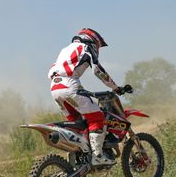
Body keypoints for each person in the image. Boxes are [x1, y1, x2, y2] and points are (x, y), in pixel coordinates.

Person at [48, 28, 124, 167]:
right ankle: (97, 157)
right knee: (97, 117)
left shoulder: (65, 49)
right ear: (92, 39)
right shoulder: (86, 47)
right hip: (69, 85)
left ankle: (77, 156)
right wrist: (115, 88)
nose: (98, 48)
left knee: (78, 124)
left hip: (55, 88)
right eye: (98, 45)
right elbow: (98, 71)